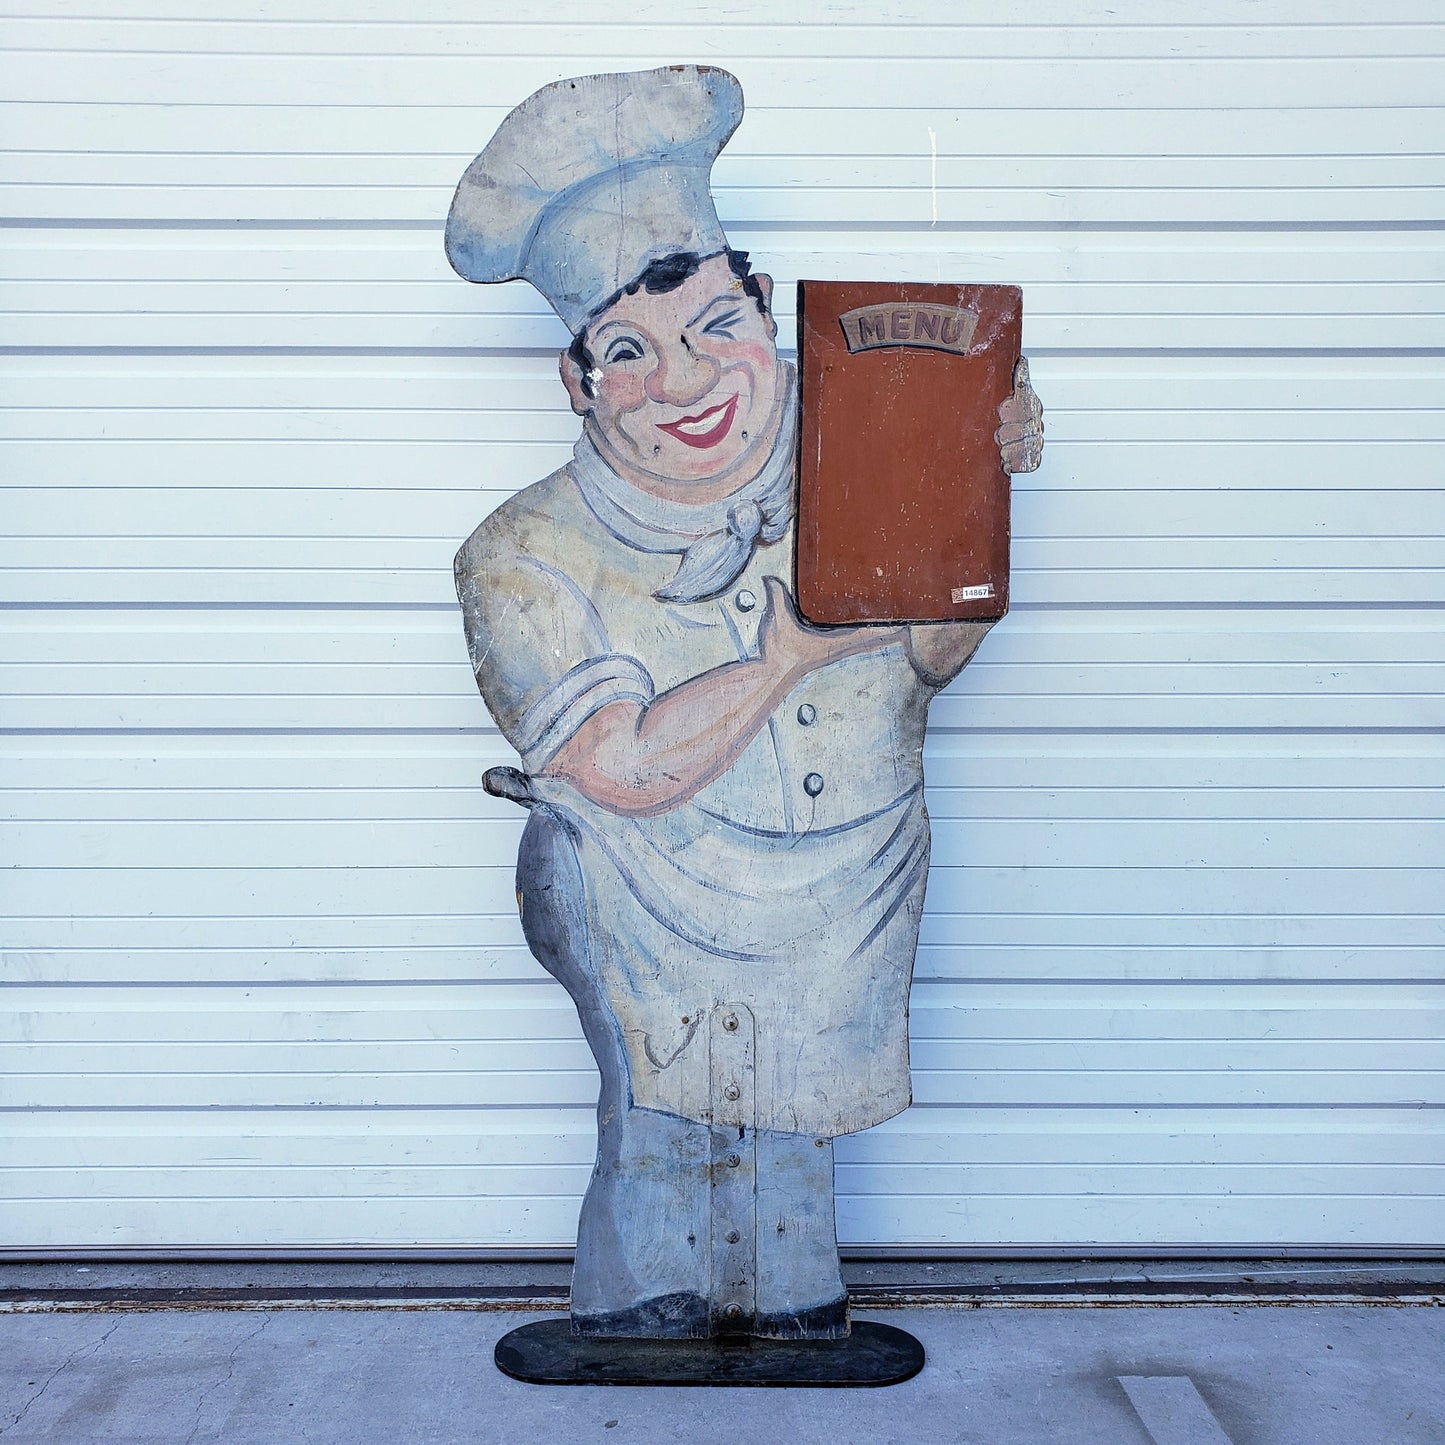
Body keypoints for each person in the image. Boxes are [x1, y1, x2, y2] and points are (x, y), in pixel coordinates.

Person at [446, 65, 1042, 1341]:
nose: (681, 379)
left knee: (793, 1127)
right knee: (662, 1113)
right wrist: (783, 658)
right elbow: (618, 769)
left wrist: (968, 502)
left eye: (711, 326)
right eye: (626, 350)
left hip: (846, 872)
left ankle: (787, 1309)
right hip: (648, 880)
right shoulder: (520, 553)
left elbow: (922, 665)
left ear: (763, 311)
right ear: (574, 380)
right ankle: (643, 1307)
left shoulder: (866, 458)